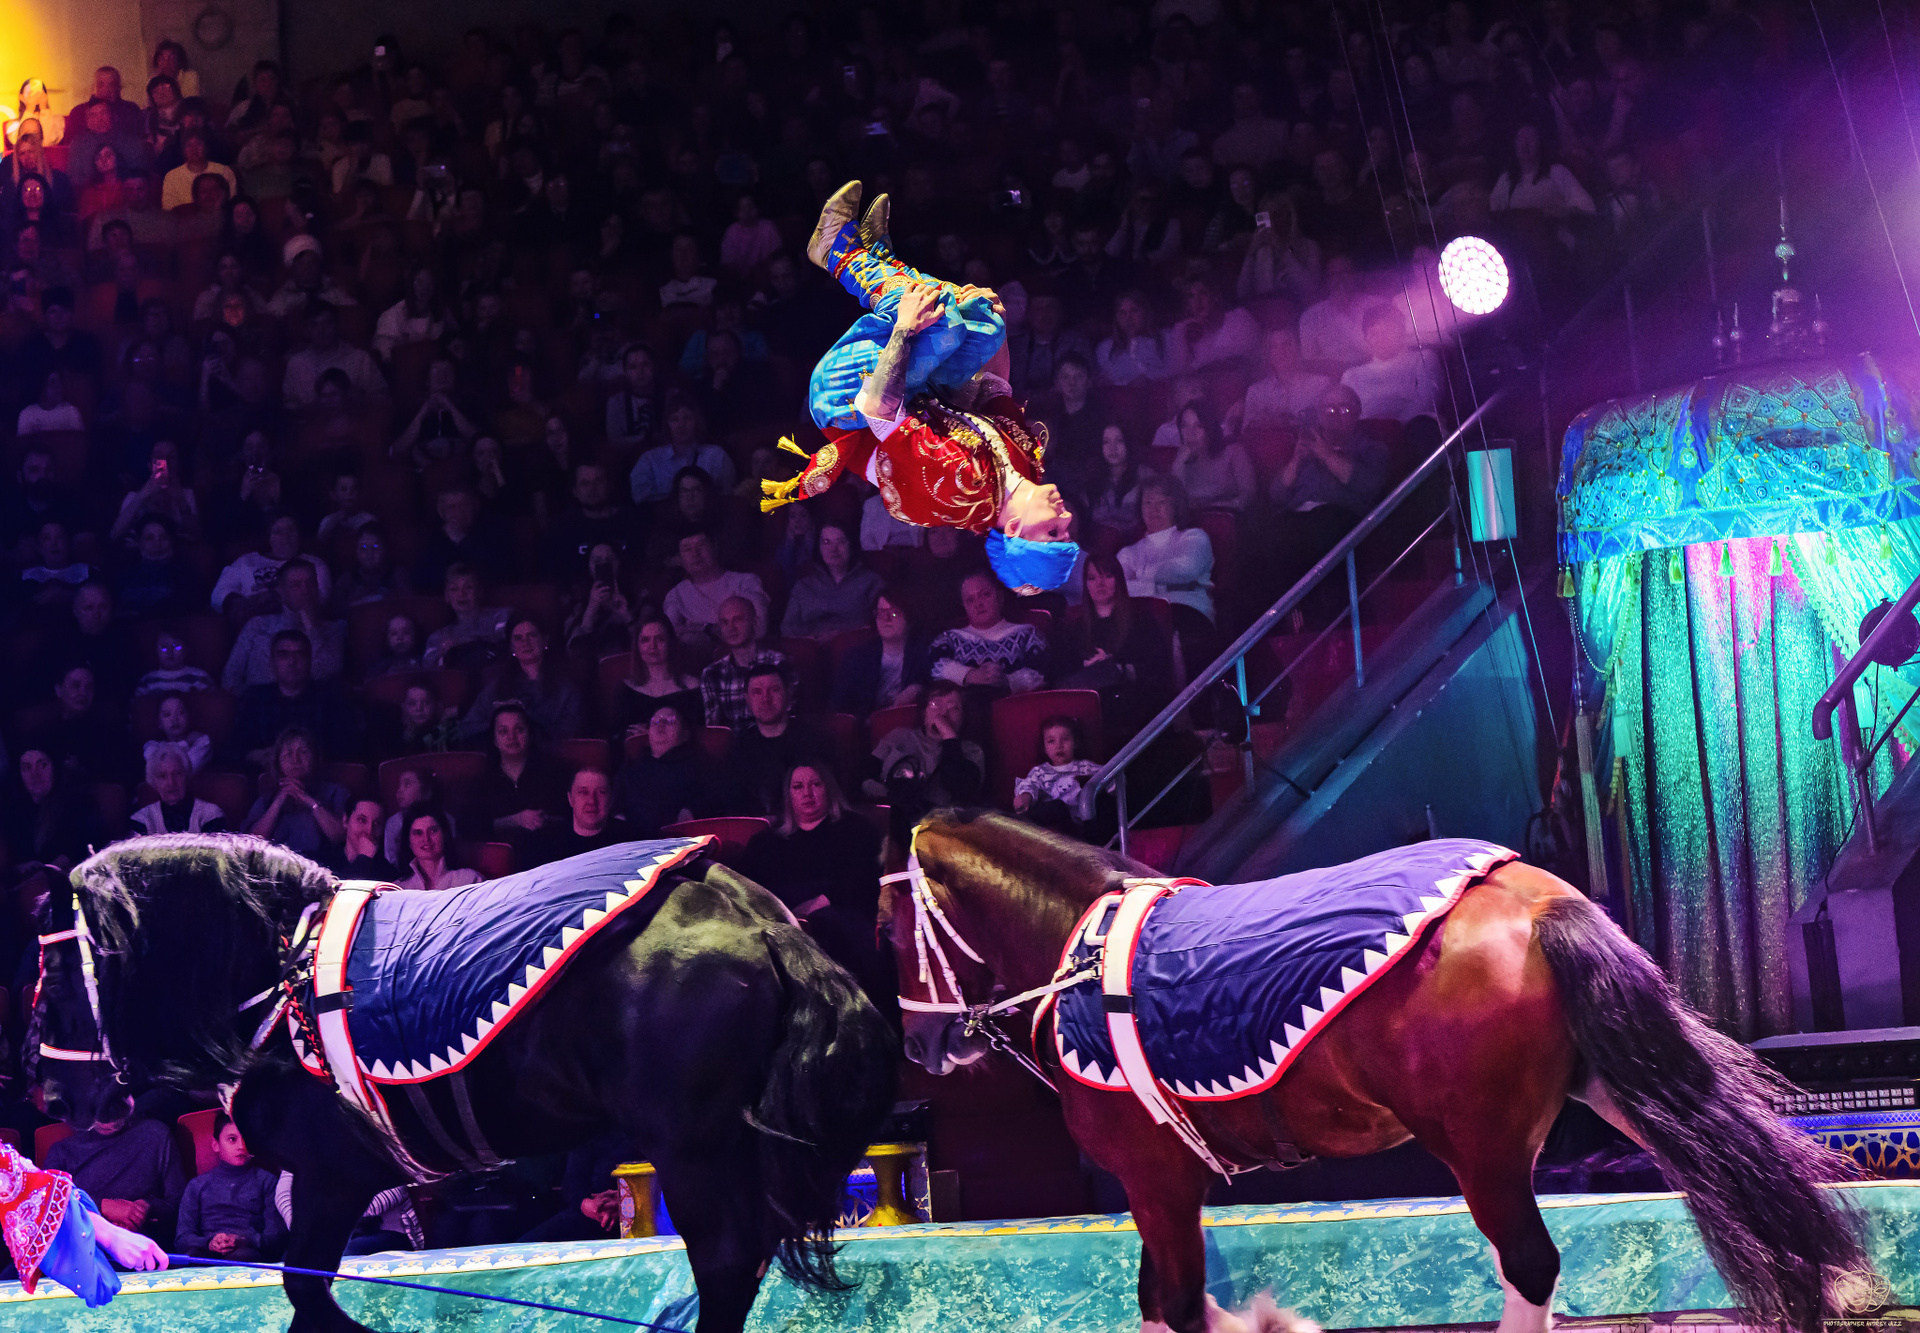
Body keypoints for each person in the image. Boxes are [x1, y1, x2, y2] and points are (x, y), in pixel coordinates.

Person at [764, 183, 1080, 596]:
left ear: (1015, 529)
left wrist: (904, 330)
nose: (1066, 518)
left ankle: (837, 252)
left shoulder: (961, 489)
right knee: (983, 322)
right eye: (1067, 531)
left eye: (1054, 532)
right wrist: (995, 318)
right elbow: (995, 388)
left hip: (847, 400)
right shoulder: (1027, 470)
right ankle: (879, 257)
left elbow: (878, 409)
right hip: (914, 391)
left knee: (944, 326)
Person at [740, 763, 890, 1003]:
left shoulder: (858, 830)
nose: (807, 793)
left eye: (815, 784)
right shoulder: (765, 843)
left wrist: (813, 907)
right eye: (798, 787)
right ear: (788, 795)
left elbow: (864, 882)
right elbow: (750, 890)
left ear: (828, 789)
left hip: (842, 916)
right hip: (780, 922)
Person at [0, 1137, 167, 1306]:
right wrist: (109, 1234)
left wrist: (108, 1232)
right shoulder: (62, 1149)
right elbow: (16, 1184)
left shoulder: (154, 1136)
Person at [1053, 552, 1177, 734]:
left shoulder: (1141, 621)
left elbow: (1159, 667)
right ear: (1085, 584)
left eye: (1107, 576)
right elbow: (1062, 678)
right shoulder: (1075, 629)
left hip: (1136, 707)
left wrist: (1117, 668)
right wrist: (1092, 671)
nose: (1100, 584)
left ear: (1118, 580)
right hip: (1093, 709)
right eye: (1092, 578)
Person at [43, 1106, 186, 1249]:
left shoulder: (155, 1135)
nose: (107, 1116)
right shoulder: (62, 1151)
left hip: (146, 1244)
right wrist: (102, 1207)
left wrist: (144, 1209)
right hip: (85, 1248)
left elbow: (180, 1204)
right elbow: (48, 1210)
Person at [232, 631, 359, 768]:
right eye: (283, 655)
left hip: (319, 775)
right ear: (272, 662)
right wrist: (259, 755)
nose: (292, 662)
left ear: (310, 660)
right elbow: (235, 747)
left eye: (300, 654)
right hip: (265, 775)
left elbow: (349, 747)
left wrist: (307, 757)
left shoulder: (331, 697)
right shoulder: (255, 698)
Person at [175, 1114, 284, 1262]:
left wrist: (243, 1240)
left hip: (249, 1254)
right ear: (215, 1145)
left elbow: (276, 1237)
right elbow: (182, 1238)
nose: (241, 1146)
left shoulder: (266, 1180)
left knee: (242, 1256)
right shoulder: (197, 1186)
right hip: (206, 1253)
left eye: (246, 1139)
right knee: (192, 1255)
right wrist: (209, 1243)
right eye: (232, 1139)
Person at [222, 558, 345, 689]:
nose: (306, 591)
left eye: (311, 583)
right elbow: (231, 675)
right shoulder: (257, 625)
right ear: (282, 591)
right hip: (259, 699)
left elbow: (326, 672)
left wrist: (311, 626)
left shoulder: (334, 629)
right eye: (296, 585)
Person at [1119, 475, 1216, 636]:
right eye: (1148, 503)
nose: (1153, 509)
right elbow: (1118, 588)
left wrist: (1140, 575)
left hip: (1187, 611)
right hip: (1141, 614)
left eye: (1161, 502)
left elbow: (1185, 569)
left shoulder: (1194, 537)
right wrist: (1160, 585)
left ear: (1175, 505)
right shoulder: (1128, 553)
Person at [459, 618, 583, 743]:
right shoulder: (497, 686)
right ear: (511, 647)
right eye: (518, 638)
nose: (525, 642)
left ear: (545, 640)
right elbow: (469, 727)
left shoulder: (565, 689)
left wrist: (529, 724)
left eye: (532, 635)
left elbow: (570, 732)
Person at [727, 665, 827, 817]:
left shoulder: (814, 740)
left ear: (788, 694)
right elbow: (734, 802)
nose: (765, 699)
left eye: (774, 690)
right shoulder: (739, 746)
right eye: (757, 692)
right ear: (747, 699)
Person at [929, 571, 1049, 696]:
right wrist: (968, 675)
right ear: (964, 606)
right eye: (970, 600)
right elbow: (932, 666)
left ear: (1000, 597)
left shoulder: (1028, 634)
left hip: (1014, 704)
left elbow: (1041, 672)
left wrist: (1007, 681)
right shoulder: (949, 638)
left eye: (985, 595)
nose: (978, 604)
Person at [864, 681, 984, 805]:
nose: (943, 713)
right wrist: (888, 794)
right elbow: (866, 773)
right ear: (924, 711)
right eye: (935, 704)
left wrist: (950, 738)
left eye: (953, 708)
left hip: (941, 815)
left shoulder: (972, 750)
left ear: (964, 716)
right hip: (892, 809)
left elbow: (960, 790)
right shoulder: (898, 737)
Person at [468, 701, 567, 849]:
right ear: (494, 739)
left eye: (519, 729)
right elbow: (469, 826)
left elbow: (569, 816)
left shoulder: (554, 772)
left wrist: (545, 820)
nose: (512, 737)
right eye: (503, 731)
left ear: (530, 734)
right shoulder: (483, 780)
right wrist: (512, 821)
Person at [614, 701, 717, 836]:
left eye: (670, 721)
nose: (660, 724)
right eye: (655, 721)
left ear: (685, 734)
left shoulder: (700, 766)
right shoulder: (631, 769)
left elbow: (710, 800)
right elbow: (616, 809)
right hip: (633, 841)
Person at [244, 726, 348, 860]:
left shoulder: (335, 792)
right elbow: (252, 843)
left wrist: (309, 801)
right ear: (278, 761)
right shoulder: (266, 800)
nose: (295, 760)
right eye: (288, 753)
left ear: (314, 758)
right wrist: (278, 802)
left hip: (322, 866)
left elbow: (339, 836)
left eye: (303, 752)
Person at [2, 748, 100, 886]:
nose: (35, 775)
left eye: (43, 765)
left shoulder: (77, 803)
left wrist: (46, 872)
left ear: (54, 767)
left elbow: (80, 847)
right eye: (27, 768)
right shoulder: (13, 811)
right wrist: (19, 869)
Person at [831, 590, 931, 716]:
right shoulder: (855, 659)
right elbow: (838, 710)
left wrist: (918, 690)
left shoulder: (926, 651)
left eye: (894, 613)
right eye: (881, 613)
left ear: (909, 617)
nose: (886, 619)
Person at [1340, 306, 1444, 425]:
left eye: (1388, 331)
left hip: (1414, 427)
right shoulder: (1351, 375)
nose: (1381, 338)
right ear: (1366, 338)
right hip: (1367, 431)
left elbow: (1429, 400)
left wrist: (1395, 426)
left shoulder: (1423, 358)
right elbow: (1346, 414)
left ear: (1402, 332)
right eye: (1374, 333)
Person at [664, 533, 770, 647]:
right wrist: (707, 629)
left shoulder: (745, 582)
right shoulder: (676, 595)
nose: (695, 554)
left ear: (714, 547)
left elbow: (760, 628)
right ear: (679, 558)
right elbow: (669, 633)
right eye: (687, 549)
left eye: (701, 545)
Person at [781, 522, 883, 641]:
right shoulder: (803, 586)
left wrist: (841, 635)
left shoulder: (871, 582)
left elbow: (879, 625)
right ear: (818, 547)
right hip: (812, 646)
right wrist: (816, 636)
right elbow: (787, 629)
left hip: (856, 646)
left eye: (840, 541)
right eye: (826, 542)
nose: (833, 549)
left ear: (851, 544)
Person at [628, 398, 736, 503]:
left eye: (687, 418)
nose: (681, 425)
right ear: (667, 424)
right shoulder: (650, 459)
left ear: (697, 422)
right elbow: (640, 496)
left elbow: (729, 494)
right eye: (674, 419)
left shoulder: (716, 455)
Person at [614, 615, 703, 741]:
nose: (652, 646)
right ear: (637, 646)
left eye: (660, 639)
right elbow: (615, 737)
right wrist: (630, 735)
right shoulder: (626, 690)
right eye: (645, 640)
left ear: (671, 643)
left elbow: (699, 736)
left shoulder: (693, 688)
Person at [1014, 716, 1103, 832]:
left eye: (1065, 739)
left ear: (1075, 743)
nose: (1059, 745)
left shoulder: (1084, 767)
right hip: (1050, 823)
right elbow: (1029, 784)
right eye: (1051, 741)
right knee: (1056, 807)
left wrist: (1113, 787)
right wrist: (1025, 795)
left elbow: (1108, 775)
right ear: (1044, 747)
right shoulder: (1040, 771)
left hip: (1080, 824)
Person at [1240, 327, 1333, 434]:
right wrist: (1264, 424)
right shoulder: (1256, 391)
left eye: (1286, 344)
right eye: (1274, 346)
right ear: (1268, 353)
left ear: (1297, 349)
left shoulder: (1320, 385)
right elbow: (1247, 432)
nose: (1281, 351)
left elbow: (1327, 426)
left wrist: (1290, 423)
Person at [1169, 403, 1258, 515]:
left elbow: (1249, 495)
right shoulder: (1181, 459)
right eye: (1184, 426)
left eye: (1199, 425)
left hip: (1229, 519)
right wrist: (1179, 464)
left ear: (1210, 428)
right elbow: (1174, 502)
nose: (1191, 433)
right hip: (1191, 522)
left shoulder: (1234, 452)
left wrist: (1217, 507)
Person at [420, 563, 509, 670]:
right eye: (454, 589)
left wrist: (461, 644)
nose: (461, 594)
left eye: (469, 587)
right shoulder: (438, 637)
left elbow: (509, 648)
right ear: (447, 596)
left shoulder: (500, 617)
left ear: (479, 592)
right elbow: (428, 670)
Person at [532, 767, 627, 863]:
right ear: (570, 798)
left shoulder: (629, 841)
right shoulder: (546, 845)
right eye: (583, 792)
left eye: (601, 792)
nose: (592, 801)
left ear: (611, 799)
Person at [127, 747, 226, 839]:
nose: (171, 783)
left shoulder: (211, 814)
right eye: (163, 776)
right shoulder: (142, 819)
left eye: (178, 774)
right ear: (153, 782)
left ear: (186, 776)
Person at [397, 807, 483, 891]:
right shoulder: (399, 889)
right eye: (418, 833)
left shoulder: (469, 880)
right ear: (408, 841)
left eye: (433, 831)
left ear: (444, 835)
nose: (426, 839)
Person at [143, 692, 210, 776]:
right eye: (167, 714)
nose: (174, 719)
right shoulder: (151, 746)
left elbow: (184, 771)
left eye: (180, 712)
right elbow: (163, 770)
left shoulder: (202, 741)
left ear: (188, 716)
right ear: (159, 722)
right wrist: (186, 743)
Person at [335, 798, 402, 881]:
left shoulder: (389, 873)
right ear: (345, 820)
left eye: (377, 823)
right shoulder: (326, 860)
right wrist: (363, 859)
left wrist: (364, 858)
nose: (369, 830)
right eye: (361, 820)